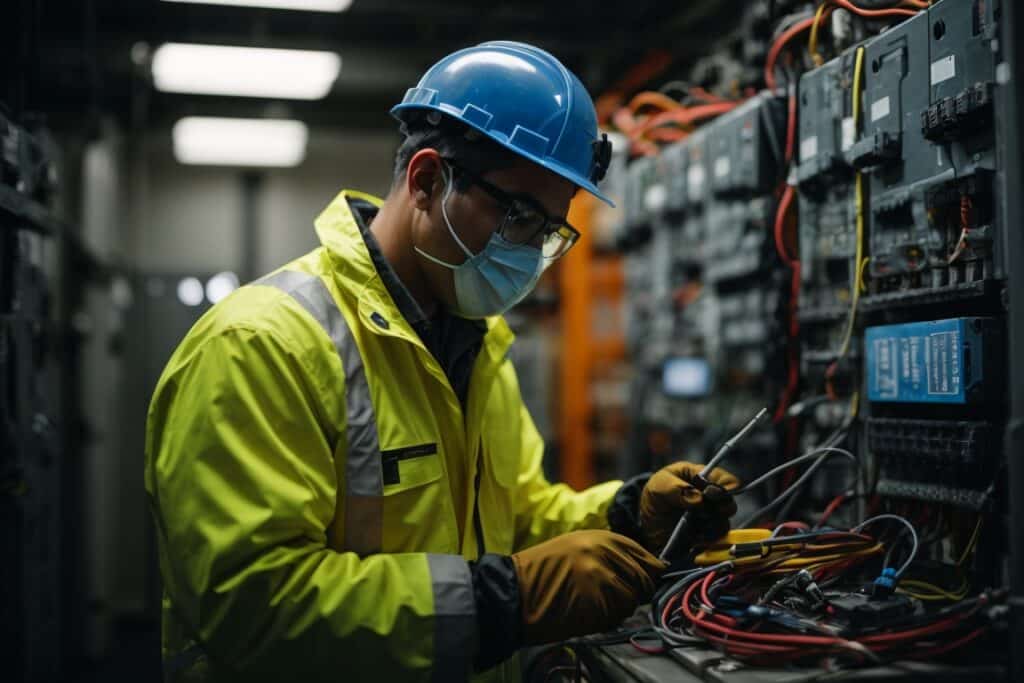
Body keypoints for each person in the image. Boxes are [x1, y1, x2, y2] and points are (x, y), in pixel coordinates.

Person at [144, 40, 738, 682]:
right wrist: (507, 600)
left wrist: (628, 512)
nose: (533, 252)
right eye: (519, 217)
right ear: (428, 180)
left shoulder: (475, 342)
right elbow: (254, 608)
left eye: (550, 231)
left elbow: (514, 518)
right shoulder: (261, 345)